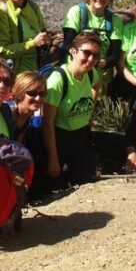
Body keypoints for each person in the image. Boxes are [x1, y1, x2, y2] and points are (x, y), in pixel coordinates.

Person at [44, 32, 101, 187]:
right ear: (73, 51)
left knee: (84, 181)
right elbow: (48, 123)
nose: (91, 59)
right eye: (87, 53)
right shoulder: (58, 80)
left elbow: (97, 86)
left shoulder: (90, 73)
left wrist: (89, 114)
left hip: (82, 135)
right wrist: (53, 159)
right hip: (60, 138)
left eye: (95, 55)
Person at [59, 0, 123, 96]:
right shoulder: (77, 12)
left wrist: (97, 62)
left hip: (99, 81)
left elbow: (115, 56)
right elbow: (67, 44)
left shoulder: (115, 22)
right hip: (74, 77)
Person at [10, 71, 49, 198]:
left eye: (42, 94)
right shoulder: (9, 114)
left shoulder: (27, 116)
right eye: (32, 93)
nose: (38, 98)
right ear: (20, 92)